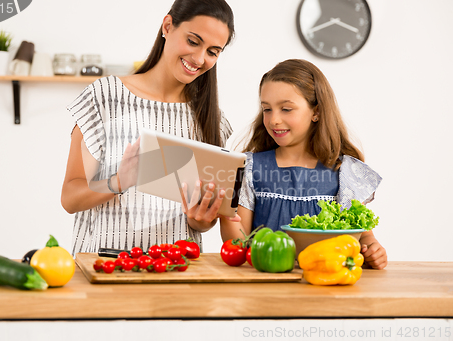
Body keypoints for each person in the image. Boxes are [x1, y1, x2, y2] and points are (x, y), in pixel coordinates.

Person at [61, 0, 236, 255]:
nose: (199, 58)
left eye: (213, 51)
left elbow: (202, 222)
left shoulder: (212, 120)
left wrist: (200, 219)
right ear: (167, 26)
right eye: (193, 41)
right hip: (105, 269)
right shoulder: (105, 97)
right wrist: (118, 182)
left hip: (175, 271)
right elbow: (69, 198)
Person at [220, 59, 387, 269]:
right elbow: (237, 242)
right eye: (267, 109)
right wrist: (224, 213)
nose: (273, 120)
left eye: (286, 109)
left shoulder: (343, 172)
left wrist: (373, 249)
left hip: (324, 283)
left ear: (316, 112)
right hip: (265, 283)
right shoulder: (250, 168)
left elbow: (362, 237)